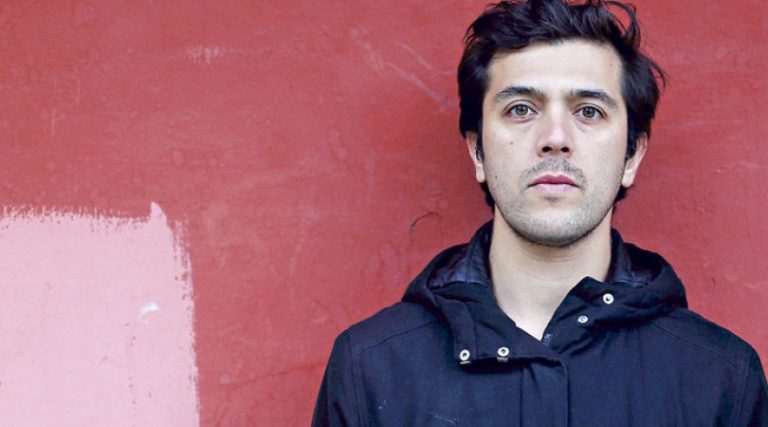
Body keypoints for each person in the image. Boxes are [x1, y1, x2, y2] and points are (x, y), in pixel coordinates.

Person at [312, 0, 768, 425]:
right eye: (521, 109)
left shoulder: (722, 378)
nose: (555, 138)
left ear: (632, 156)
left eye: (588, 111)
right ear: (477, 151)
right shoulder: (370, 367)